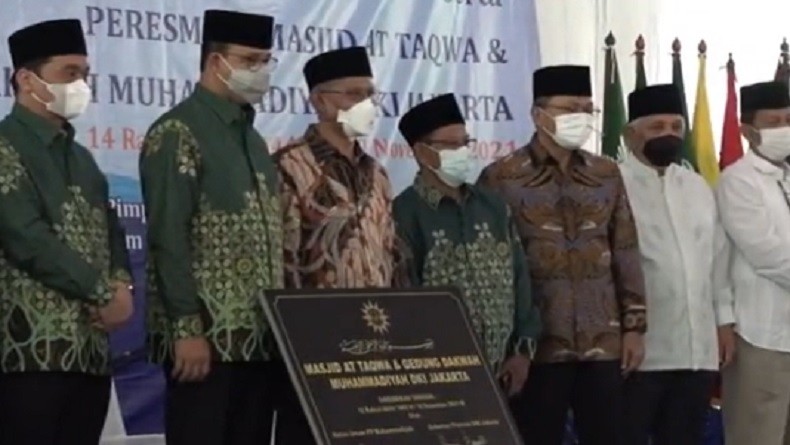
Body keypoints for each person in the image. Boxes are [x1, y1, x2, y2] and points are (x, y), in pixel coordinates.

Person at [477, 65, 647, 445]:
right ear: (539, 115)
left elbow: (625, 249)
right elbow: (496, 269)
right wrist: (511, 345)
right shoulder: (502, 176)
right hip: (537, 348)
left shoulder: (606, 174)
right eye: (570, 108)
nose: (581, 118)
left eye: (588, 109)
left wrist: (635, 326)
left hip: (602, 341)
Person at [139, 10, 282, 445]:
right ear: (216, 61)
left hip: (259, 341)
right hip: (206, 342)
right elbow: (168, 238)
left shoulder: (254, 142)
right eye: (250, 60)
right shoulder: (177, 132)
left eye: (265, 61)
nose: (260, 71)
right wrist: (186, 330)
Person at [0, 19, 133, 445]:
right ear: (26, 78)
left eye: (85, 75)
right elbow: (25, 235)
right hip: (26, 356)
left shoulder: (82, 158)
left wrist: (121, 286)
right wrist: (101, 293)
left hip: (88, 352)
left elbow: (112, 231)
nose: (81, 85)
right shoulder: (5, 147)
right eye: (69, 73)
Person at [273, 45, 398, 444]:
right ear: (320, 101)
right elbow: (283, 260)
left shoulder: (377, 174)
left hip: (375, 346)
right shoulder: (290, 166)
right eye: (353, 94)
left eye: (369, 94)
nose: (365, 104)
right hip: (316, 346)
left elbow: (389, 255)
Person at [393, 93, 541, 393]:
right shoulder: (405, 212)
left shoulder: (492, 206)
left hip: (504, 371)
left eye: (465, 142)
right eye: (450, 145)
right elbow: (404, 296)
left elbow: (519, 278)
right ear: (422, 152)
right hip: (440, 374)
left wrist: (522, 352)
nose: (462, 151)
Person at [618, 84, 735, 445]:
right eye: (657, 127)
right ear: (630, 133)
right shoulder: (613, 185)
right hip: (640, 353)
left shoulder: (697, 186)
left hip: (696, 349)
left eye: (675, 127)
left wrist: (724, 322)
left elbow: (717, 261)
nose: (669, 135)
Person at [716, 80, 790, 445]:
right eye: (774, 122)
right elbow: (769, 254)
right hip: (760, 334)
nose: (785, 129)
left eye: (789, 120)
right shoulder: (738, 181)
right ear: (747, 131)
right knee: (757, 435)